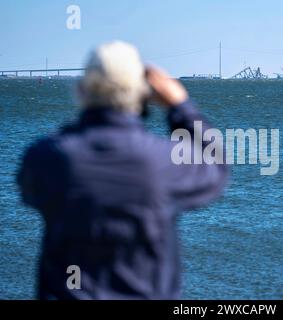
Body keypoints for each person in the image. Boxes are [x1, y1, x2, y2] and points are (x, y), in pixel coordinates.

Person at [16, 41, 228, 299]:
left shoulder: (46, 158)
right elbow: (216, 166)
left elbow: (30, 187)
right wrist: (181, 107)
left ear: (82, 91)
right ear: (142, 95)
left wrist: (81, 127)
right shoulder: (162, 163)